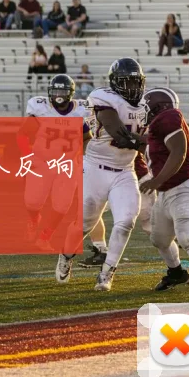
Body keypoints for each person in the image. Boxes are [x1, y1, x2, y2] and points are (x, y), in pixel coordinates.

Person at [55, 58, 147, 292]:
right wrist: (148, 143)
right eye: (128, 82)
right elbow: (120, 133)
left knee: (126, 221)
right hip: (95, 168)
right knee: (84, 223)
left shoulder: (147, 103)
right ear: (115, 84)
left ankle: (107, 273)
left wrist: (150, 142)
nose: (134, 88)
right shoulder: (103, 98)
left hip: (125, 171)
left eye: (137, 82)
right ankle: (66, 254)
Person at [140, 88, 189, 302]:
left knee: (187, 238)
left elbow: (178, 151)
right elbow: (155, 147)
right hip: (166, 194)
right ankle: (177, 272)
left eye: (146, 105)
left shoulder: (168, 116)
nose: (143, 110)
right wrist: (131, 140)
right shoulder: (158, 125)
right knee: (159, 239)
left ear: (158, 106)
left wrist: (156, 180)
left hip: (185, 189)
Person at [19, 75, 92, 247]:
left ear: (70, 94)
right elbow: (22, 134)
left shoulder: (80, 110)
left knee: (62, 205)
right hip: (42, 161)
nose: (58, 95)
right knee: (32, 202)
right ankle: (34, 219)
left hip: (67, 164)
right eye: (55, 90)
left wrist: (84, 158)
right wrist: (28, 155)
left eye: (62, 91)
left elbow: (87, 137)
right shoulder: (40, 108)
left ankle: (45, 237)